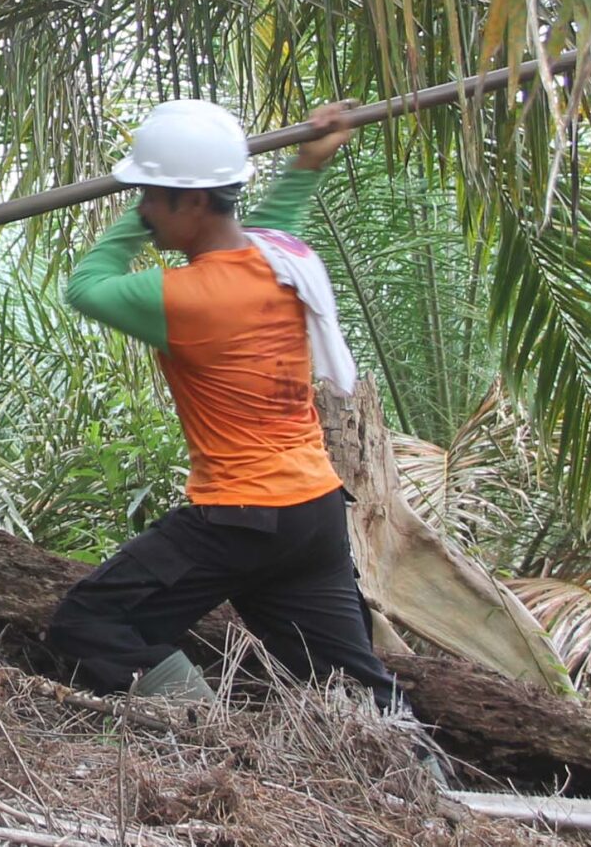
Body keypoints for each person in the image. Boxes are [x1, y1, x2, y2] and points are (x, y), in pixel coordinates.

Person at [45, 97, 400, 712]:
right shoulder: (281, 260)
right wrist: (307, 165)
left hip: (240, 517)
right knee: (349, 681)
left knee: (89, 624)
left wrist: (137, 216)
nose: (143, 211)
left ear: (194, 201)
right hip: (312, 511)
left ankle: (210, 733)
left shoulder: (187, 298)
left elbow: (87, 285)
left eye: (151, 197)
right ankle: (424, 779)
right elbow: (270, 224)